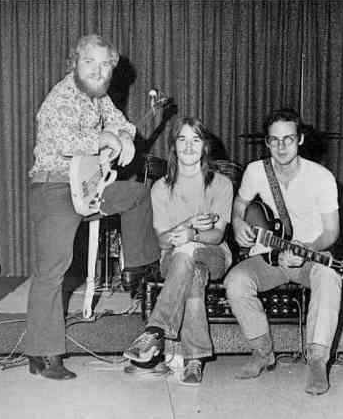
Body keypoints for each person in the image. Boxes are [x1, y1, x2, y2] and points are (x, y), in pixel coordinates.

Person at [26, 35, 160, 380]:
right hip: (54, 186)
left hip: (86, 186)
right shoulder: (61, 97)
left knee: (136, 194)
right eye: (90, 62)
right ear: (75, 63)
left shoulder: (97, 97)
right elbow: (62, 141)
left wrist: (125, 136)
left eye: (105, 66)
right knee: (52, 271)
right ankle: (45, 354)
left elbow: (121, 123)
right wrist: (104, 139)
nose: (98, 71)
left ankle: (138, 268)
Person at [224, 108, 341, 395]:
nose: (281, 147)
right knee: (235, 282)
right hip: (270, 255)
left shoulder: (321, 177)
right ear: (267, 142)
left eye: (288, 139)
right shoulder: (255, 171)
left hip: (309, 256)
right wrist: (238, 223)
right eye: (274, 140)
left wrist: (308, 248)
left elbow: (331, 231)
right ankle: (263, 352)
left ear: (300, 139)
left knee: (330, 277)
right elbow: (240, 205)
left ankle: (317, 361)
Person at [123, 116, 233, 385]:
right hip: (173, 259)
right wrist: (188, 225)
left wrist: (193, 234)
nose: (189, 146)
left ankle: (154, 330)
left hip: (215, 254)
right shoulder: (161, 188)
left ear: (205, 146)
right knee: (189, 268)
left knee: (187, 250)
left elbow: (217, 235)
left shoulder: (221, 184)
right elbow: (162, 242)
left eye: (195, 140)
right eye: (182, 139)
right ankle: (194, 360)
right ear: (173, 145)